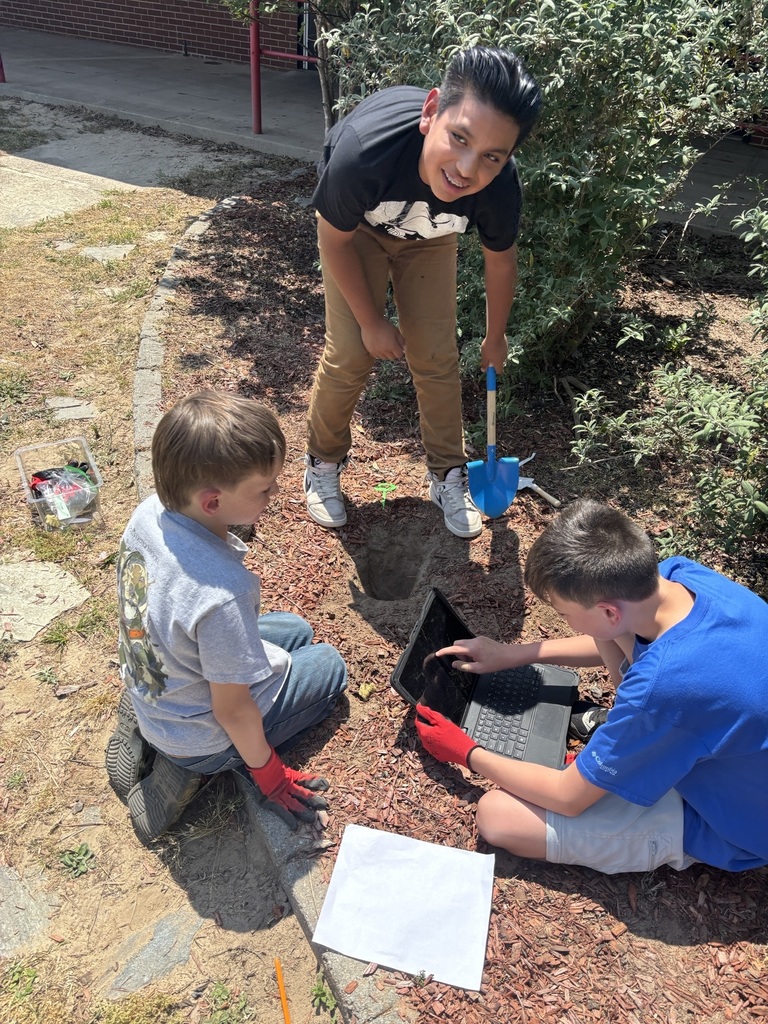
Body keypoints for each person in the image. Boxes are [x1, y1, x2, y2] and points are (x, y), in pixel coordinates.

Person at [414, 499, 768, 874]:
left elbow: (568, 798)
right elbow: (621, 633)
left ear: (609, 611)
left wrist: (467, 752)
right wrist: (512, 654)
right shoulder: (681, 578)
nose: (566, 621)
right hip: (734, 759)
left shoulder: (663, 690)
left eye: (565, 614)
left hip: (737, 825)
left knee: (498, 817)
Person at [304, 45, 543, 538]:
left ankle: (447, 475)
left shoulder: (497, 186)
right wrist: (371, 322)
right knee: (350, 352)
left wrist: (496, 337)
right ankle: (322, 462)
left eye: (491, 157)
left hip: (430, 237)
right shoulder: (364, 153)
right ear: (431, 112)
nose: (467, 169)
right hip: (358, 235)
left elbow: (501, 262)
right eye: (459, 138)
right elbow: (334, 239)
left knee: (437, 357)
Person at [106, 391, 347, 842]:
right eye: (264, 488)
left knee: (297, 629)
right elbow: (233, 710)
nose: (275, 494)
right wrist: (271, 775)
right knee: (330, 664)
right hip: (204, 735)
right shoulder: (222, 591)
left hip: (154, 672)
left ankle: (151, 717)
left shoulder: (149, 513)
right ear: (213, 502)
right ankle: (188, 762)